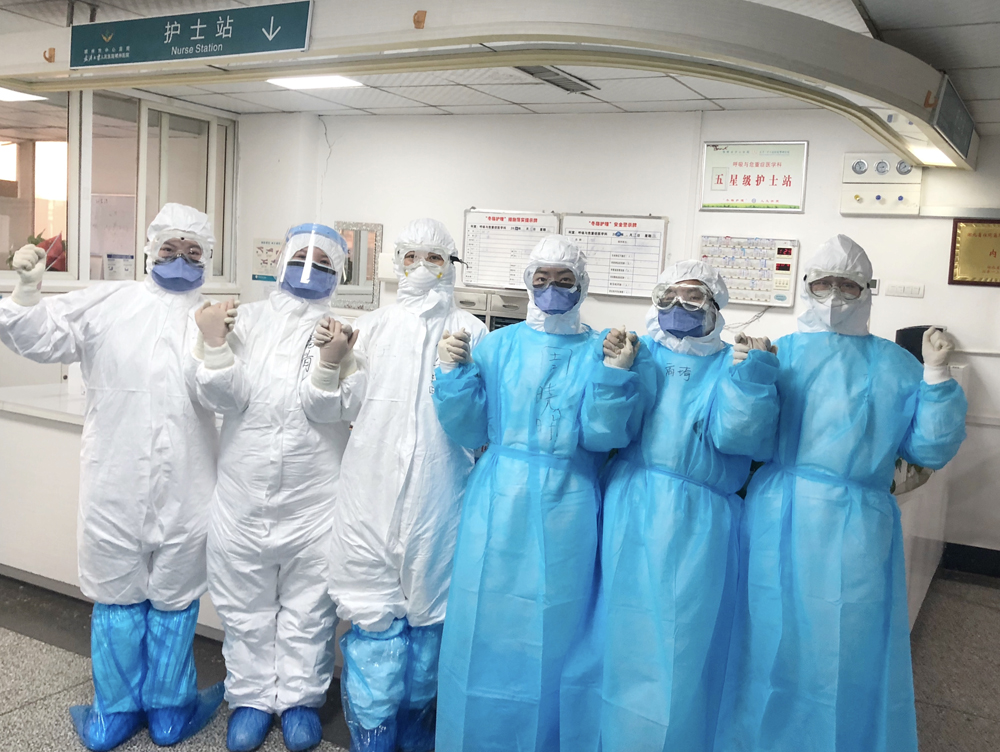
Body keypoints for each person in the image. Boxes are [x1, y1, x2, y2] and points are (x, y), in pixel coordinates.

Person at [716, 234, 968, 752]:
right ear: (807, 286)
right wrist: (748, 378)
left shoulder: (897, 364)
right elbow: (744, 439)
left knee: (847, 643)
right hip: (777, 513)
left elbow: (928, 448)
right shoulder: (779, 352)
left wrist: (937, 377)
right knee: (767, 635)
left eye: (848, 285)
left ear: (867, 290)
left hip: (857, 521)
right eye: (823, 284)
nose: (834, 295)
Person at [0, 203, 224, 751]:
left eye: (192, 251)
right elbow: (40, 337)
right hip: (115, 484)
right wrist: (26, 293)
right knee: (118, 594)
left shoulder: (217, 318)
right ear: (149, 249)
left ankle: (165, 707)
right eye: (169, 248)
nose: (179, 259)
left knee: (175, 597)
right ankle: (120, 710)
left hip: (188, 486)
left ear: (208, 259)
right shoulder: (109, 303)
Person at [432, 235, 644, 752]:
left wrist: (614, 376)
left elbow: (603, 437)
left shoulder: (601, 349)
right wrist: (451, 375)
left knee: (559, 629)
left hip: (568, 503)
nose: (552, 289)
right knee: (486, 626)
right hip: (497, 499)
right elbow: (469, 429)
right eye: (542, 279)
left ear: (582, 285)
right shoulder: (497, 346)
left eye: (564, 280)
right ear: (528, 282)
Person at [563, 260, 780, 752]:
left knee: (684, 643)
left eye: (693, 297)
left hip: (701, 519)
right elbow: (602, 433)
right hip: (630, 508)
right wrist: (613, 374)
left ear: (717, 306)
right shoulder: (640, 355)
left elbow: (741, 440)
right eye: (668, 297)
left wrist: (751, 380)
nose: (678, 307)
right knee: (617, 634)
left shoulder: (732, 364)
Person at [194, 223, 363, 752]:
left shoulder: (349, 332)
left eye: (323, 262)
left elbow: (342, 407)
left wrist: (331, 362)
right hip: (243, 495)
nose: (309, 269)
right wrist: (215, 343)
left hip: (315, 500)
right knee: (243, 603)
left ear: (339, 274)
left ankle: (299, 700)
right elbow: (223, 397)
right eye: (300, 256)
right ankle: (249, 697)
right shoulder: (245, 321)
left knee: (309, 606)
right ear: (280, 261)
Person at [327, 218, 487, 752]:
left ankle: (418, 720)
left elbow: (480, 425)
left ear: (451, 265)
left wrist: (459, 376)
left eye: (434, 258)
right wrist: (334, 362)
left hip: (441, 492)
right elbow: (342, 405)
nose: (421, 267)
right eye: (411, 256)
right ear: (397, 263)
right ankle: (373, 727)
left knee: (431, 615)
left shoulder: (472, 331)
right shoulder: (371, 326)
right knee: (372, 611)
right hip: (370, 487)